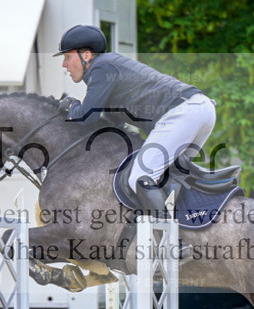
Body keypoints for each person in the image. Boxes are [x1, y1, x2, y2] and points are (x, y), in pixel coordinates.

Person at [55, 24, 217, 215]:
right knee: (169, 175)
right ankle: (189, 226)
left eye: (67, 57)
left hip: (183, 113)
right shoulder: (108, 68)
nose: (64, 65)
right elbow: (112, 124)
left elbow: (87, 117)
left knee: (140, 178)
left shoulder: (101, 68)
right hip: (199, 109)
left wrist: (70, 106)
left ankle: (166, 240)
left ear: (87, 55)